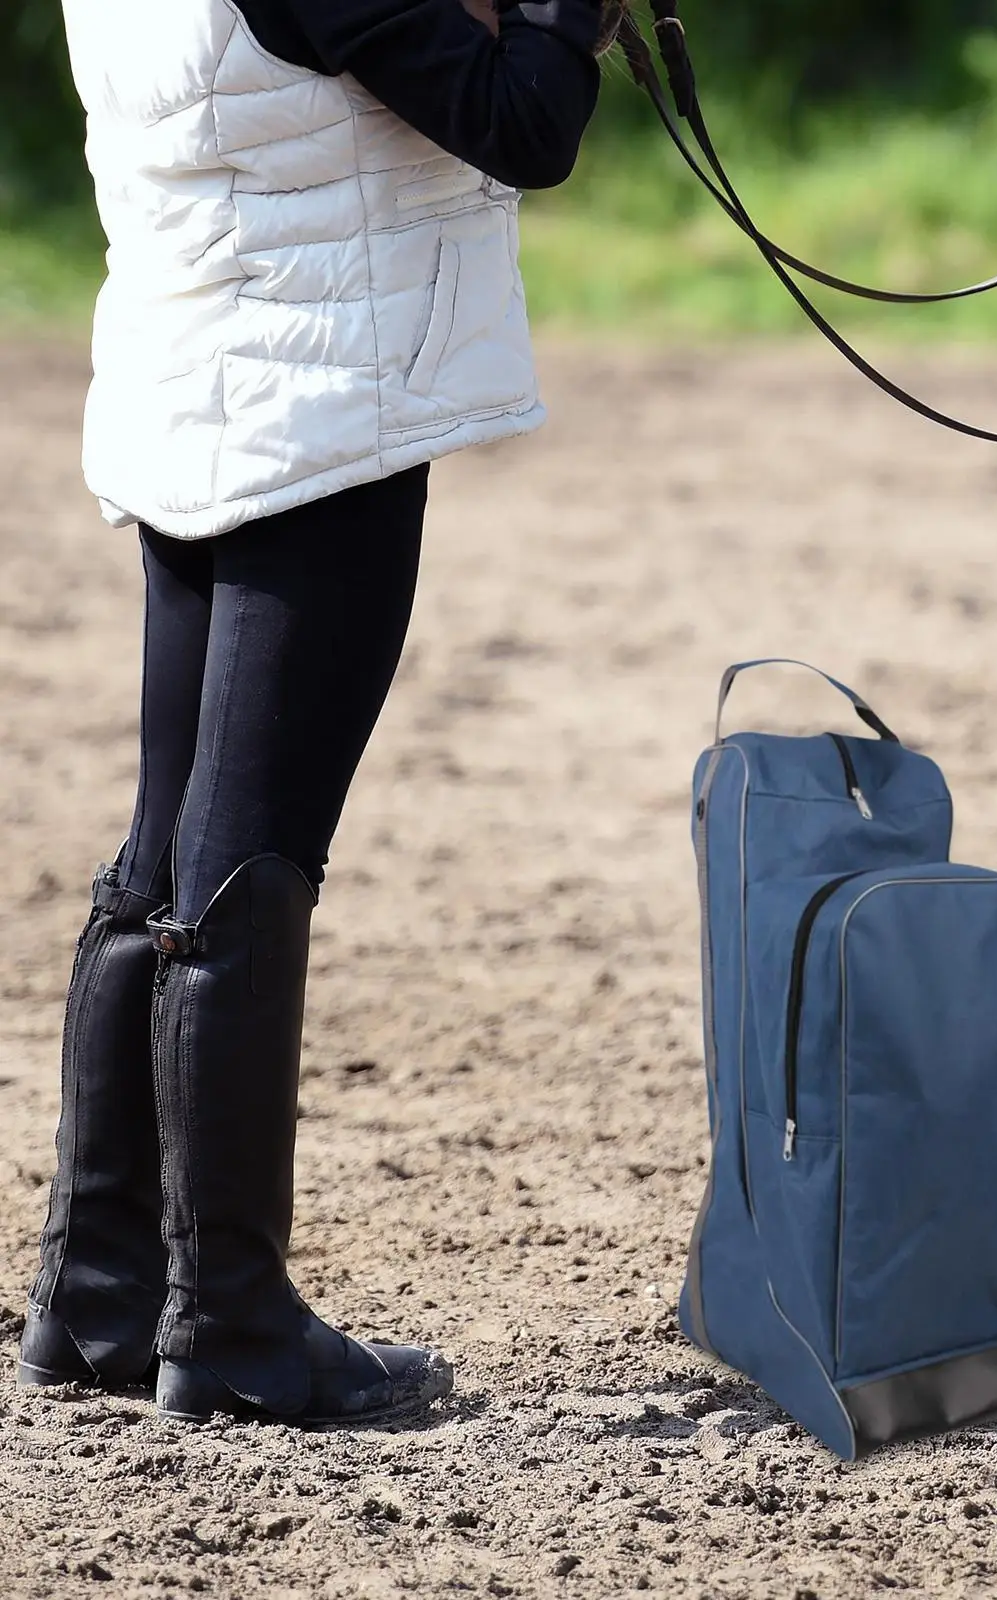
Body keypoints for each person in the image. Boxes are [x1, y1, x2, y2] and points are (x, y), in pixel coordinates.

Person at [18, 0, 609, 1426]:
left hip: (189, 363)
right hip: (322, 393)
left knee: (162, 849)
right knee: (246, 853)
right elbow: (523, 120)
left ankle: (98, 1291)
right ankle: (227, 1318)